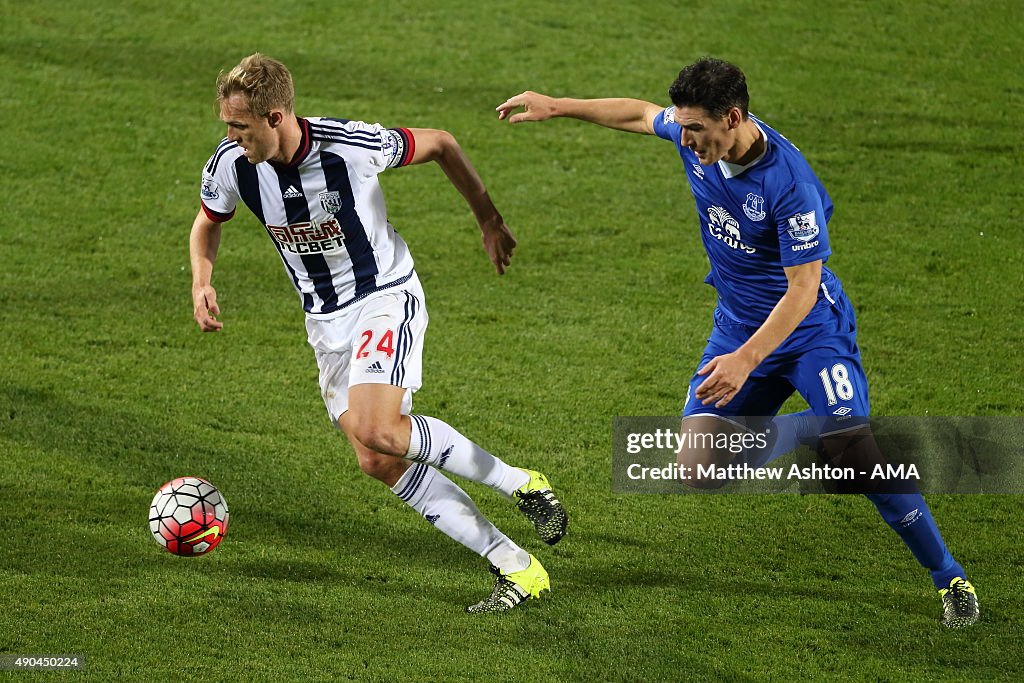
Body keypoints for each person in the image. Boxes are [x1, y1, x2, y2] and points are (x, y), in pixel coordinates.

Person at [496, 57, 978, 627]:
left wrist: (749, 360)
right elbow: (639, 113)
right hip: (736, 327)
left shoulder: (789, 183)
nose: (688, 139)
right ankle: (829, 433)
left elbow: (804, 288)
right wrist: (558, 106)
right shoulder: (697, 136)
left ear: (733, 117)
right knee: (698, 467)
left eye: (697, 129)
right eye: (684, 127)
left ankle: (949, 578)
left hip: (809, 335)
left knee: (861, 459)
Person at [190, 53, 568, 613]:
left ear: (275, 117)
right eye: (227, 125)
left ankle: (521, 483)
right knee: (377, 459)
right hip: (325, 322)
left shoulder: (351, 146)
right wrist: (202, 280)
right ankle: (517, 567)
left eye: (239, 125)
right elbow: (207, 225)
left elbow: (440, 141)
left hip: (384, 297)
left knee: (382, 429)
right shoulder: (232, 165)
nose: (231, 136)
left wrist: (488, 218)